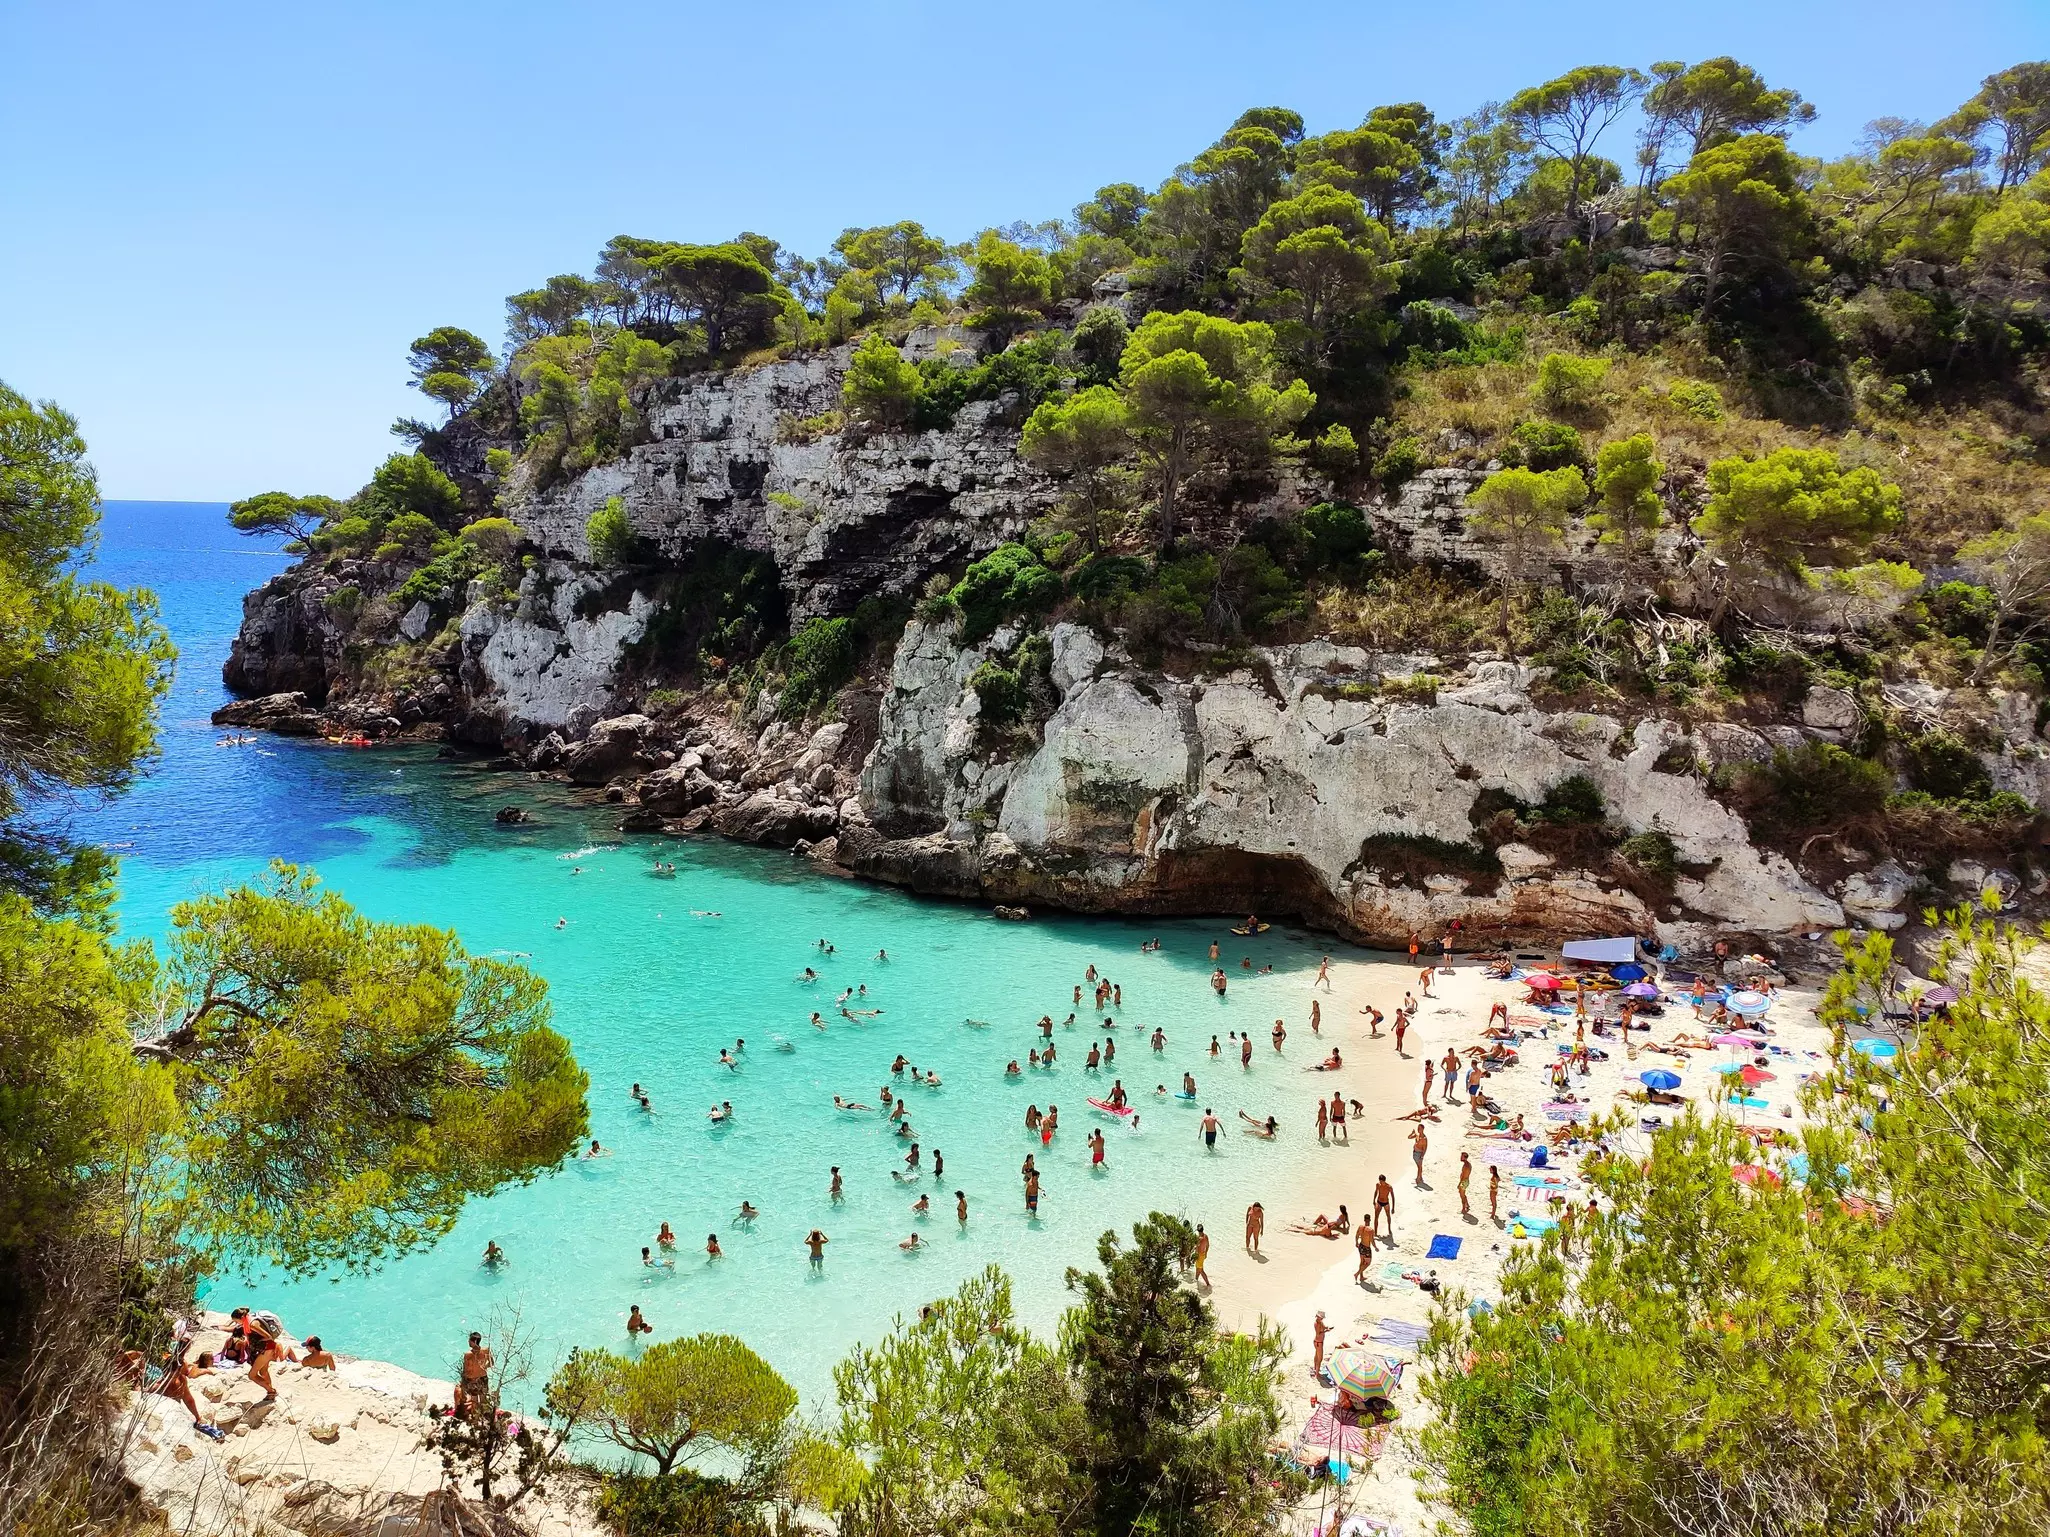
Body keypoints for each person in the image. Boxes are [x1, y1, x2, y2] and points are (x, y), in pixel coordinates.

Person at [456, 1332, 493, 1416]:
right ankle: (484, 1417)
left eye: (470, 1340)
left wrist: (463, 1383)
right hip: (483, 1377)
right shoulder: (486, 1350)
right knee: (484, 1400)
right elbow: (491, 1363)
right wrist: (483, 1367)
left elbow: (465, 1370)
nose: (468, 1342)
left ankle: (476, 1418)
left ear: (474, 1341)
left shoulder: (468, 1355)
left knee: (474, 1401)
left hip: (472, 1379)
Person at [1373, 1174, 1396, 1241]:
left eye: (1381, 1181)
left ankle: (1389, 1229)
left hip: (1386, 1203)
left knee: (1388, 1216)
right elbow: (1376, 1192)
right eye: (1379, 1181)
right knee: (1376, 1216)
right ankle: (1375, 1232)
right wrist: (1373, 1200)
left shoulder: (1389, 1187)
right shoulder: (1378, 1185)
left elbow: (1392, 1197)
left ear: (1383, 1181)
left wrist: (1393, 1208)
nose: (1380, 1182)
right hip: (1379, 1202)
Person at [1410, 1123, 1430, 1187]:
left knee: (1419, 1167)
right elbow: (1409, 1137)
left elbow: (1425, 1148)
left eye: (1419, 1128)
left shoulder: (1424, 1138)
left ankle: (1418, 1179)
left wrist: (1422, 1156)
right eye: (1418, 1128)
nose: (1418, 1129)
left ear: (1423, 1129)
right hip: (1415, 1152)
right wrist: (1412, 1133)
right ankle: (1420, 1177)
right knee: (1418, 1166)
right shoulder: (1417, 1135)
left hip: (1419, 1154)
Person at [1312, 1311, 1330, 1378]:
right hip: (1318, 1342)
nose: (1322, 1319)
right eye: (1321, 1317)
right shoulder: (1316, 1324)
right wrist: (1325, 1331)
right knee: (1320, 1358)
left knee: (1317, 1355)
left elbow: (1324, 1327)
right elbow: (1318, 1334)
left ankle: (1315, 1368)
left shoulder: (1320, 1322)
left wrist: (1327, 1328)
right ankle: (1317, 1373)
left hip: (1318, 1342)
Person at [1458, 1151, 1474, 1217]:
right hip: (1466, 1181)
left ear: (1465, 1158)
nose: (1460, 1158)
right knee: (1463, 1194)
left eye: (1462, 1157)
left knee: (1462, 1195)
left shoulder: (1466, 1166)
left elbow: (1464, 1176)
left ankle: (1463, 1209)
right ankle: (1467, 1205)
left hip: (1463, 1182)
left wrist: (1459, 1183)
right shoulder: (1468, 1164)